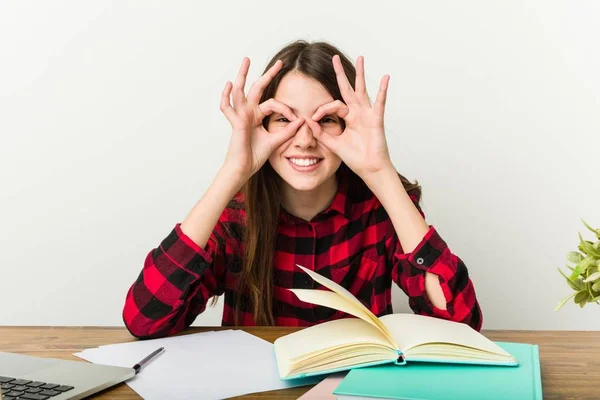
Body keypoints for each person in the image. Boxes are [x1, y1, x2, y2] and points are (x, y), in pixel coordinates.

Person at [122, 40, 482, 339]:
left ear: (349, 126)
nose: (306, 139)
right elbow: (144, 320)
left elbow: (459, 326)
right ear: (262, 125)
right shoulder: (236, 214)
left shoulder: (381, 206)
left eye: (326, 119)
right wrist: (233, 170)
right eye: (285, 119)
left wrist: (381, 172)